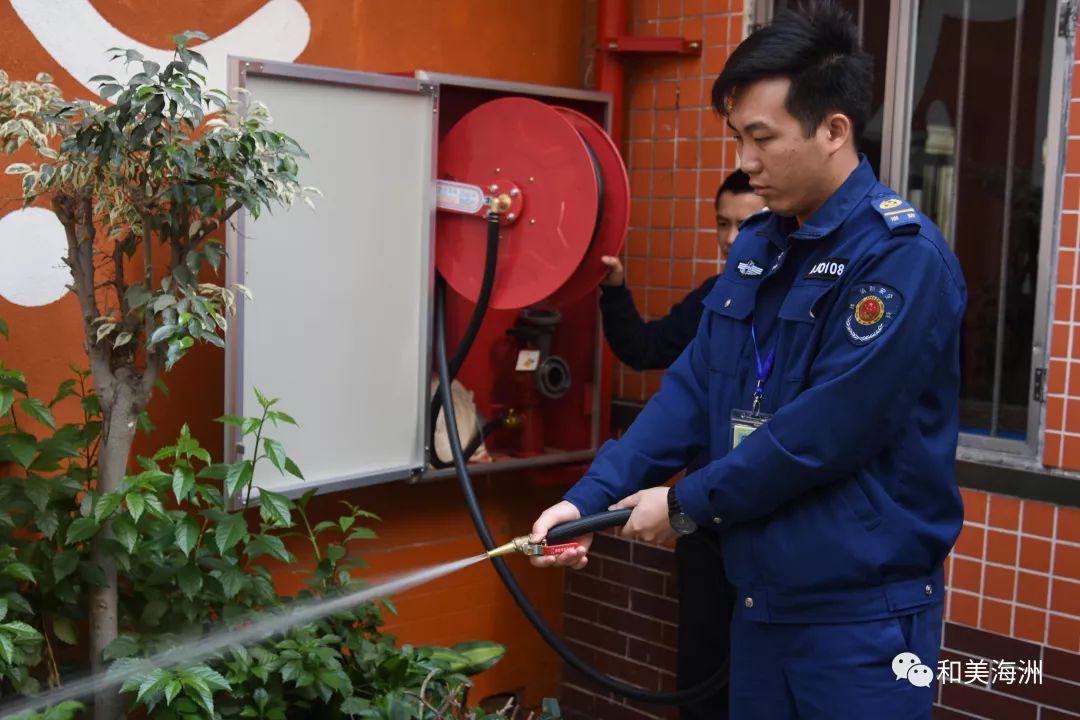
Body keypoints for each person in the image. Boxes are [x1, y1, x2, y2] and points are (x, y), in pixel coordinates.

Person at [530, 2, 967, 718]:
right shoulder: (760, 246)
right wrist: (586, 498)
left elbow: (821, 435)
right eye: (737, 138)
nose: (744, 163)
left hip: (860, 623)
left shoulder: (899, 260)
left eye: (761, 138)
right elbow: (694, 388)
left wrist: (682, 504)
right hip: (758, 605)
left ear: (834, 131)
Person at [596, 169, 765, 720]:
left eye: (748, 223)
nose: (734, 238)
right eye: (723, 223)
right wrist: (615, 287)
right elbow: (645, 347)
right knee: (701, 668)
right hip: (698, 518)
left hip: (765, 525)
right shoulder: (717, 300)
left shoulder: (807, 302)